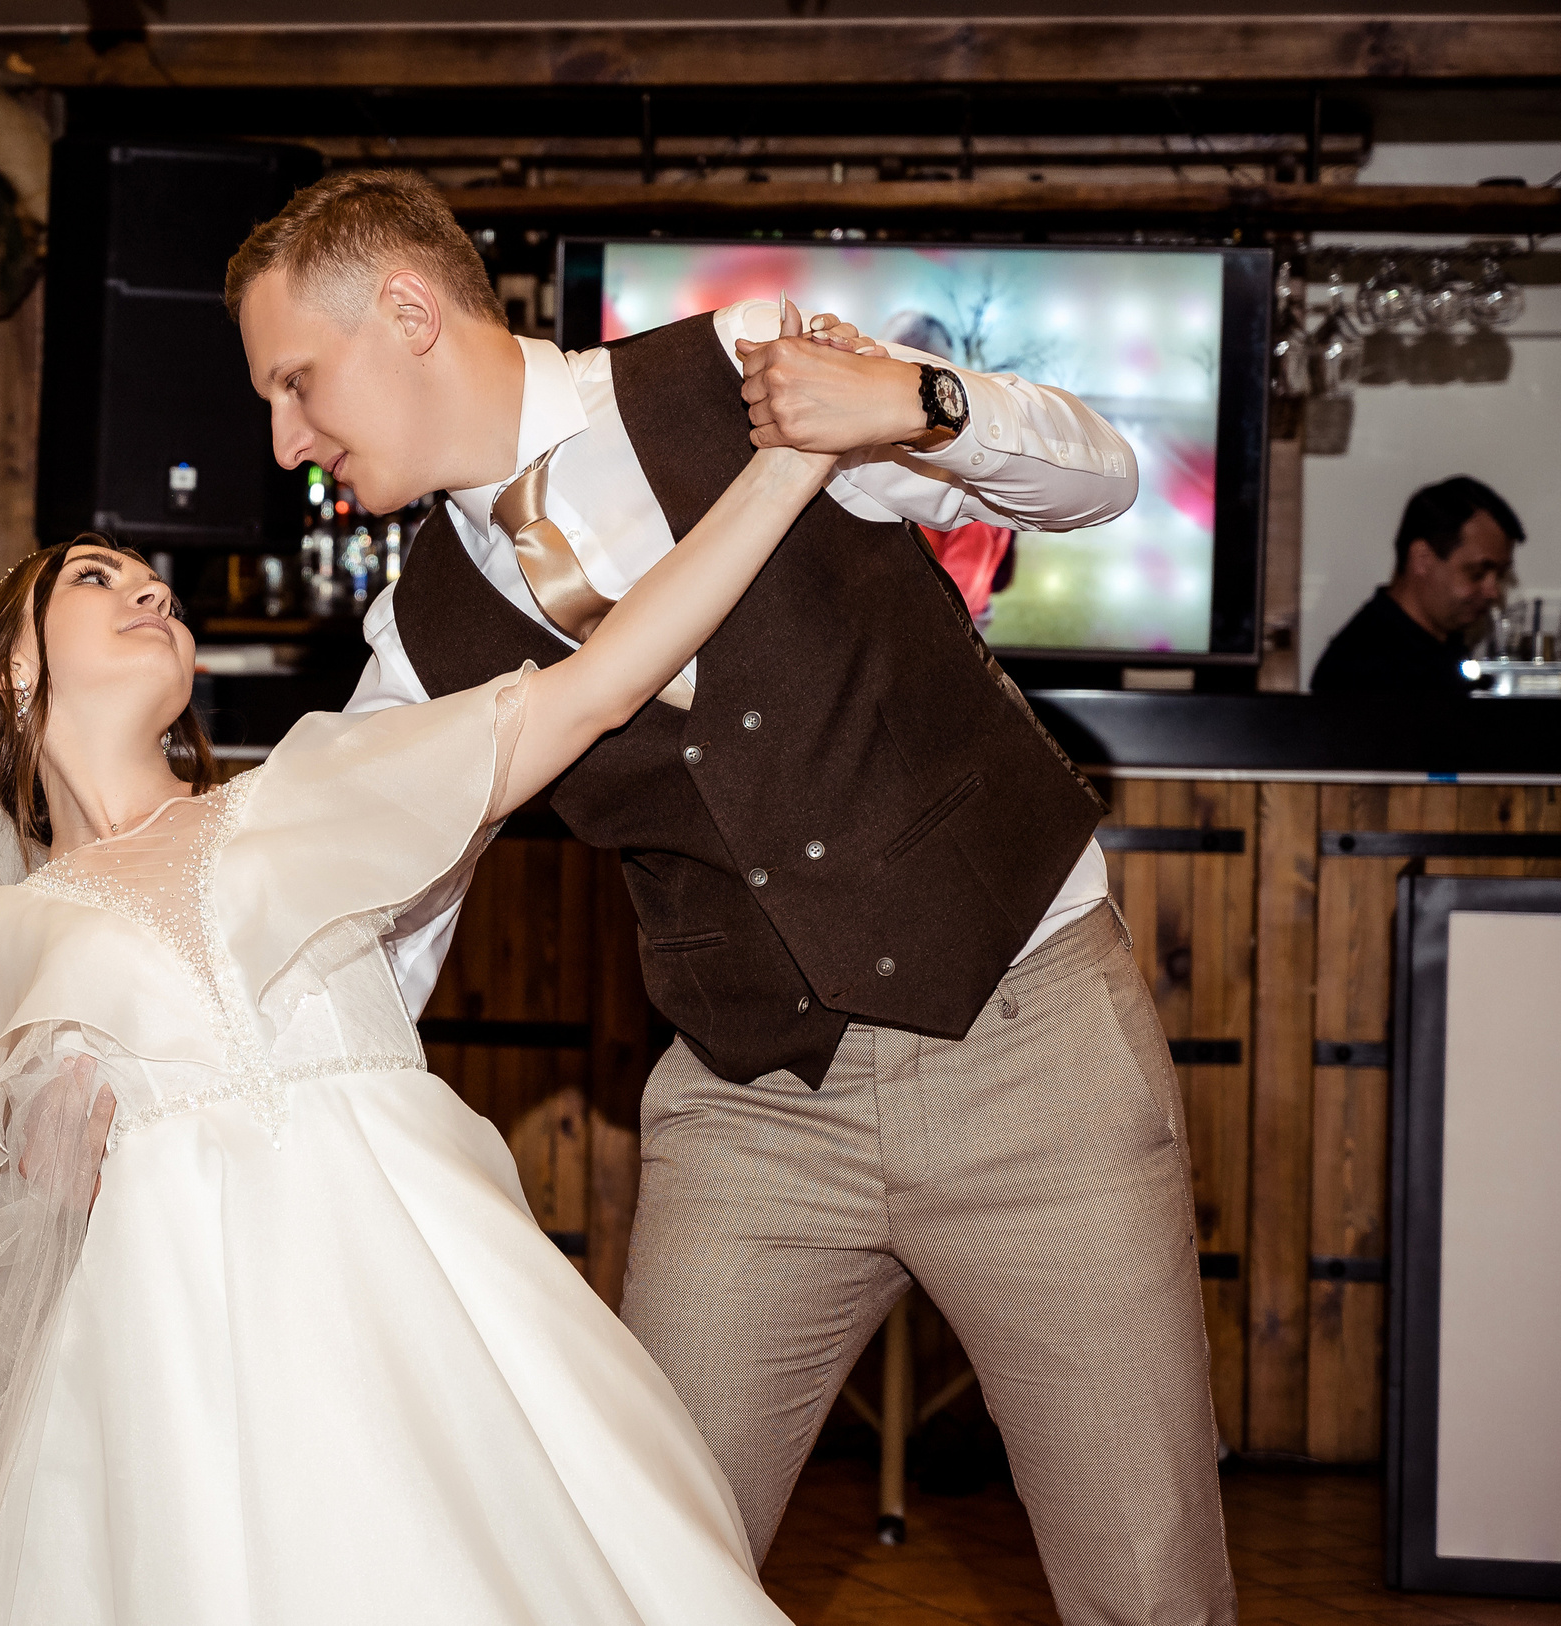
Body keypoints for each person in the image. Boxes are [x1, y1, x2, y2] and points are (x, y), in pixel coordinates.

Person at [0, 414, 841, 1621]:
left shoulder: (316, 788)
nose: (147, 585)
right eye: (96, 579)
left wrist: (789, 464)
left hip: (432, 1328)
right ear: (14, 668)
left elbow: (599, 682)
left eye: (149, 578)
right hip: (180, 1377)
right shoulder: (4, 935)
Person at [228, 170, 1236, 1626]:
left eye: (296, 382)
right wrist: (210, 1081)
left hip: (1032, 1055)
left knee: (1148, 1589)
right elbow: (372, 919)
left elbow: (1103, 475)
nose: (286, 437)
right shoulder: (418, 633)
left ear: (405, 310)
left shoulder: (747, 362)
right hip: (752, 1107)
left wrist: (924, 406)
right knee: (636, 1576)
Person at [1310, 475, 1526, 697]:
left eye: (1499, 575)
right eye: (1476, 573)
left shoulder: (1443, 647)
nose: (1493, 591)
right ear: (1422, 559)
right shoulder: (1363, 672)